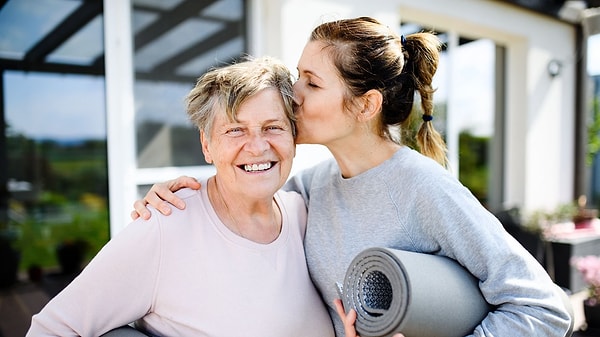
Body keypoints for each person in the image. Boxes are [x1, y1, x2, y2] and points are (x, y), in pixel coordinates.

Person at [132, 17, 572, 337]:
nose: (292, 96)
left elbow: (544, 308)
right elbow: (241, 206)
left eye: (311, 83)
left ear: (366, 106)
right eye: (295, 77)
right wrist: (183, 199)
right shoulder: (313, 185)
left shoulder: (423, 188)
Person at [26, 56, 335, 337]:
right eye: (235, 131)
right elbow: (50, 330)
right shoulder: (166, 226)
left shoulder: (302, 212)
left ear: (293, 138)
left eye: (272, 127)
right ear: (206, 145)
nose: (257, 147)